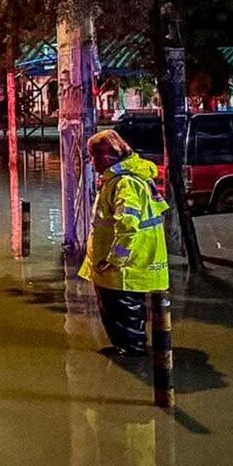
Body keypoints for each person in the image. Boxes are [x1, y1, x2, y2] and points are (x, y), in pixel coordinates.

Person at [78, 129, 170, 356]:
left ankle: (132, 357)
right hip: (127, 264)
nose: (91, 162)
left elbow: (128, 225)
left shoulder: (125, 183)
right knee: (123, 315)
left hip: (123, 269)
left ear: (106, 157)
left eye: (93, 156)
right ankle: (128, 351)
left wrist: (115, 260)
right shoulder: (124, 179)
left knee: (124, 316)